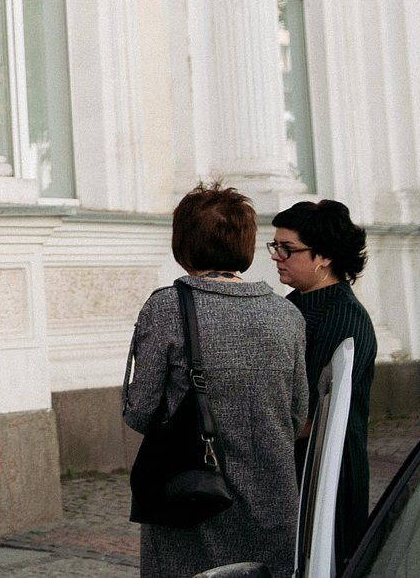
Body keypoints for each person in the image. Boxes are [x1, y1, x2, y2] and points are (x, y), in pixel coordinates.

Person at [123, 183, 309, 578]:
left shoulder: (167, 307)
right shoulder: (287, 315)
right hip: (273, 505)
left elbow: (140, 412)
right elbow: (297, 416)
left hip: (191, 503)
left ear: (183, 242)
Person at [272, 199, 377, 571]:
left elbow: (311, 417)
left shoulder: (341, 317)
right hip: (299, 469)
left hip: (326, 476)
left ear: (324, 257)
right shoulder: (299, 303)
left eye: (288, 249)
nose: (277, 256)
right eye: (276, 246)